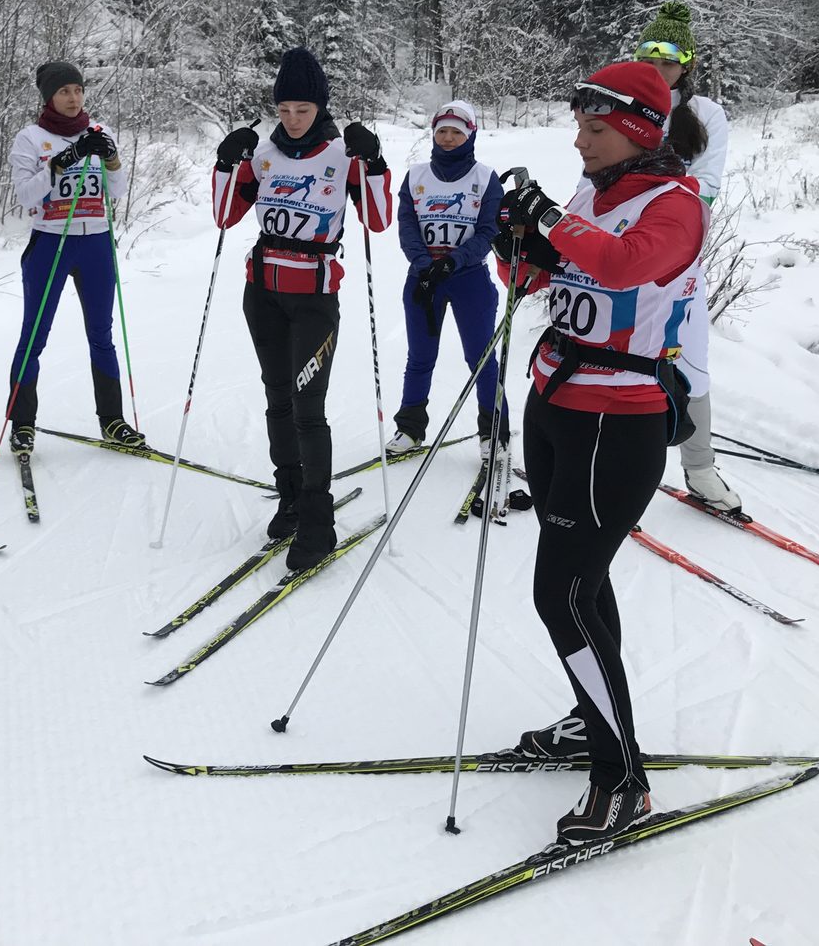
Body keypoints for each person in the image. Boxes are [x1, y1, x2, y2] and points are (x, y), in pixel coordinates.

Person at [491, 60, 706, 845]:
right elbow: (547, 276)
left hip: (617, 422)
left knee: (563, 596)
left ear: (640, 133)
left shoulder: (673, 205)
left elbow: (621, 265)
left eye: (595, 129)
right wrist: (515, 243)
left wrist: (547, 216)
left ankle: (622, 782)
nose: (578, 141)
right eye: (579, 126)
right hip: (555, 404)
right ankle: (595, 719)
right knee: (581, 584)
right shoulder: (598, 192)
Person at [212, 47, 392, 572]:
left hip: (314, 297)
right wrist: (227, 163)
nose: (292, 120)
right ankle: (289, 495)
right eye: (285, 109)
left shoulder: (342, 155)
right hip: (262, 292)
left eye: (303, 110)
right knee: (277, 398)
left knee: (308, 408)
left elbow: (377, 219)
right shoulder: (264, 154)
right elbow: (226, 215)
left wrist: (374, 163)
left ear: (321, 108)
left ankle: (319, 522)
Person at [3, 60, 143, 453]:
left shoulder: (100, 130)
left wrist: (111, 158)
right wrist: (61, 162)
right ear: (49, 96)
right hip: (50, 243)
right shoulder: (30, 138)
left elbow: (115, 191)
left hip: (96, 242)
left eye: (78, 90)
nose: (73, 97)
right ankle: (22, 424)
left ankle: (113, 422)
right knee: (35, 334)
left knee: (102, 335)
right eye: (64, 91)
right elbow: (26, 195)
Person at [635, 1, 740, 512]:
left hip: (676, 260)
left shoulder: (705, 115)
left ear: (687, 64)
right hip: (617, 251)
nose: (658, 68)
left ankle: (699, 469)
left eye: (669, 59)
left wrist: (652, 205)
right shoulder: (624, 103)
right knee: (613, 357)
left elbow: (707, 186)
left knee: (689, 361)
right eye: (649, 57)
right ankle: (614, 460)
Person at [386, 100, 506, 462]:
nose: (449, 138)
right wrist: (425, 264)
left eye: (457, 131)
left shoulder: (485, 178)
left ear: (470, 134)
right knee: (420, 358)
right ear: (434, 134)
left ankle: (493, 431)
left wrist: (454, 261)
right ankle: (409, 428)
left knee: (482, 358)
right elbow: (407, 225)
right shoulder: (417, 175)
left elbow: (488, 231)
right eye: (442, 131)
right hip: (424, 280)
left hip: (468, 278)